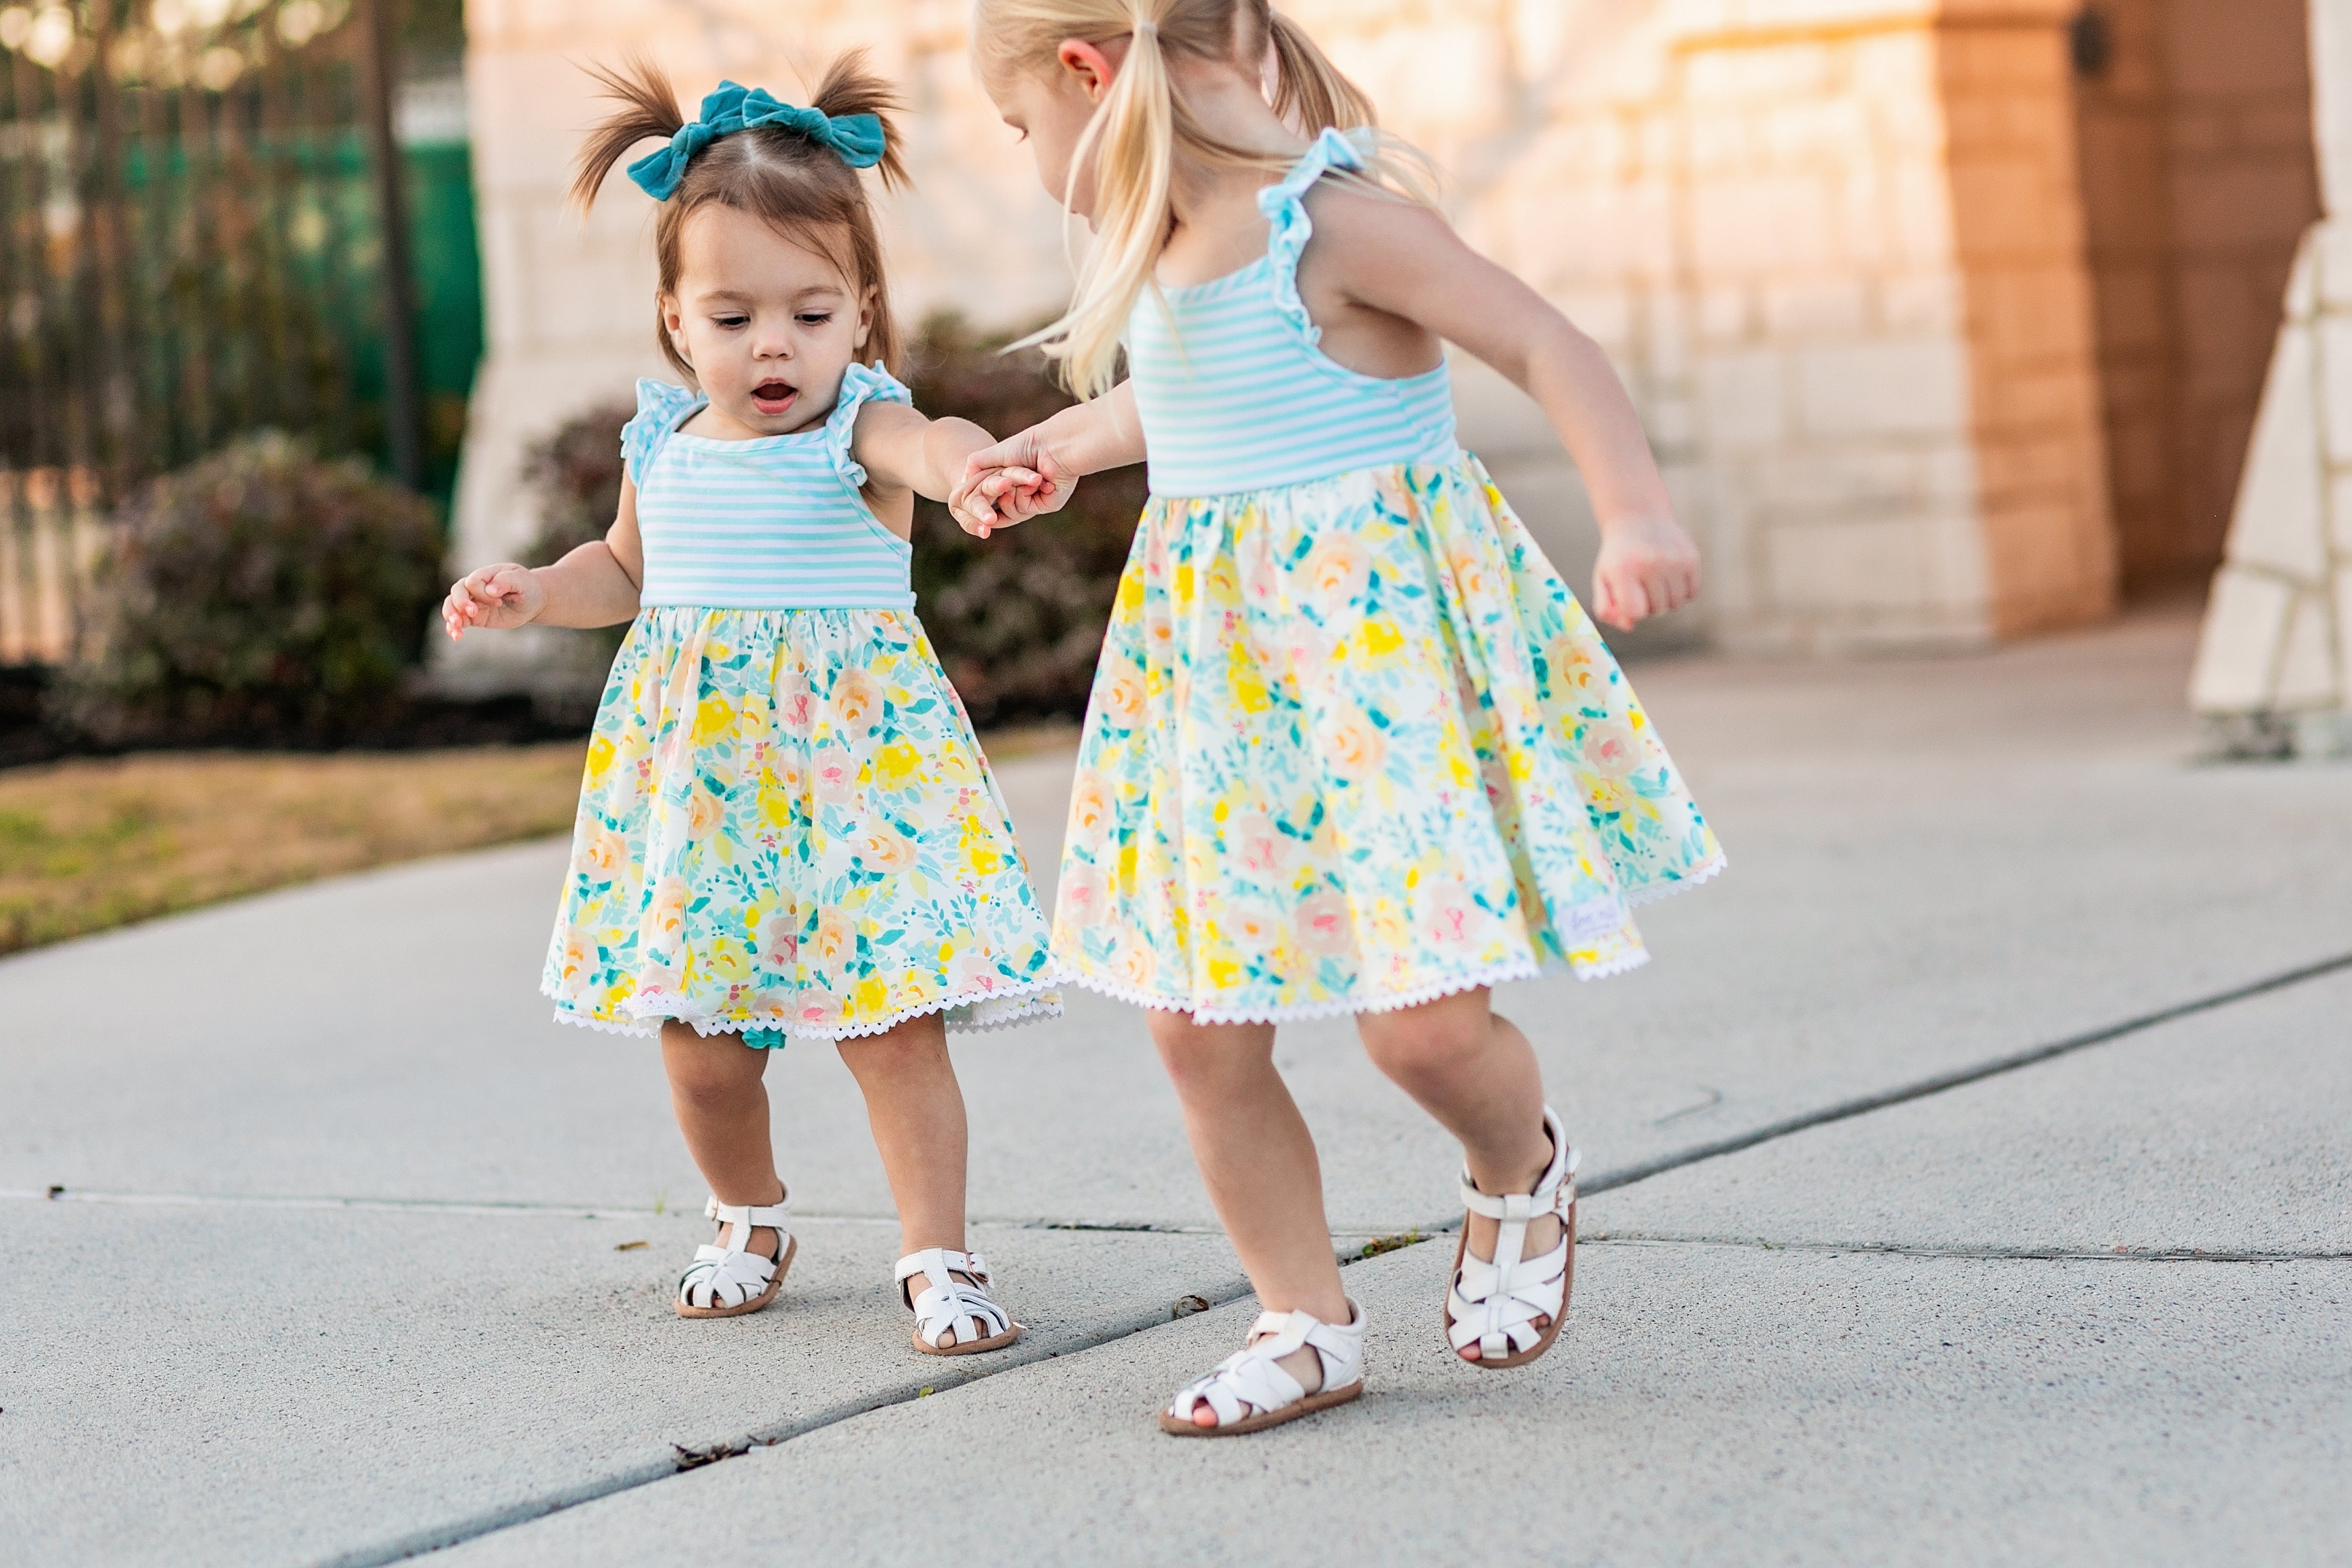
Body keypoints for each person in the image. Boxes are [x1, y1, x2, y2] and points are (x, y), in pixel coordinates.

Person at [951, 0, 1727, 1433]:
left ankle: (1518, 1167)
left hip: (1380, 684)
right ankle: (1303, 1320)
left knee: (1420, 1031)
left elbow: (1545, 341)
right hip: (1221, 691)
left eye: (1017, 125)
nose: (1025, 154)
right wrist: (1067, 444)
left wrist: (1632, 513)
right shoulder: (1168, 245)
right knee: (1196, 1029)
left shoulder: (1334, 220)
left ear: (1087, 73)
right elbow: (1191, 396)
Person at [443, 52, 1062, 1356]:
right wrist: (531, 596)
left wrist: (974, 473)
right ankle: (748, 1208)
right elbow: (617, 571)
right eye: (733, 318)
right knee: (702, 1044)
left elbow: (934, 440)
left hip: (858, 786)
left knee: (891, 1030)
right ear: (677, 320)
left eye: (811, 312)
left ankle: (937, 1251)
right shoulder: (663, 446)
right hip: (703, 788)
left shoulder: (864, 429)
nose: (773, 344)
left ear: (863, 313)